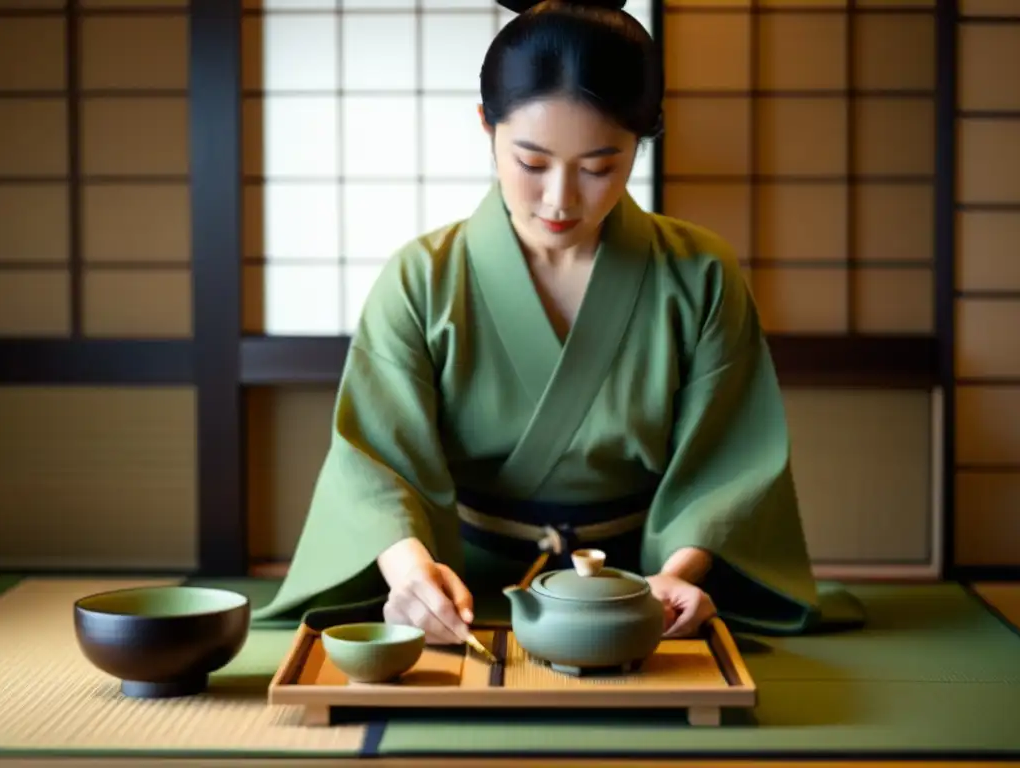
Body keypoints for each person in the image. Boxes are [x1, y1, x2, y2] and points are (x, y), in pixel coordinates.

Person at [250, 0, 865, 641]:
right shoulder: (421, 279)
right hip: (457, 587)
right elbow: (374, 461)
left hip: (635, 588)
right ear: (486, 124)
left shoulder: (700, 274)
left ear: (642, 139)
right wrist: (410, 577)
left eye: (600, 167)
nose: (560, 199)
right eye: (532, 163)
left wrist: (680, 575)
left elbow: (729, 461)